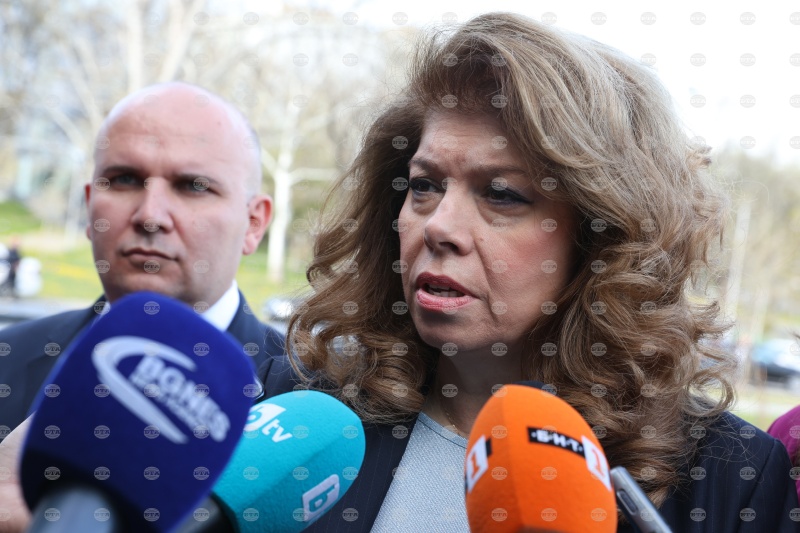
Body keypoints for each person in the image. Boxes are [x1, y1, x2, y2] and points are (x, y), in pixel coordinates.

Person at [256, 12, 798, 532]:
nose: (439, 226)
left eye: (501, 194)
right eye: (424, 185)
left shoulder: (731, 480)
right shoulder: (298, 419)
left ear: (602, 238)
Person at [0, 82, 284, 439]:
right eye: (124, 179)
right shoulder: (7, 360)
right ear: (89, 207)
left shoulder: (314, 399)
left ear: (253, 223)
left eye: (193, 186)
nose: (150, 216)